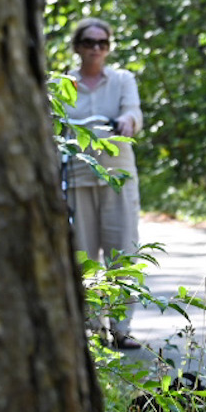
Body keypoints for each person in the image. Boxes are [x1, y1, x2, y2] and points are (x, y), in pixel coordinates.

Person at [62, 17, 145, 350]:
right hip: (80, 176)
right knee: (83, 252)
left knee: (122, 247)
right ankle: (93, 327)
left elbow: (133, 113)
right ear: (77, 46)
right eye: (89, 42)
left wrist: (126, 121)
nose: (96, 49)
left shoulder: (123, 80)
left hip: (117, 176)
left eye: (102, 43)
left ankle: (122, 328)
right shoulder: (64, 84)